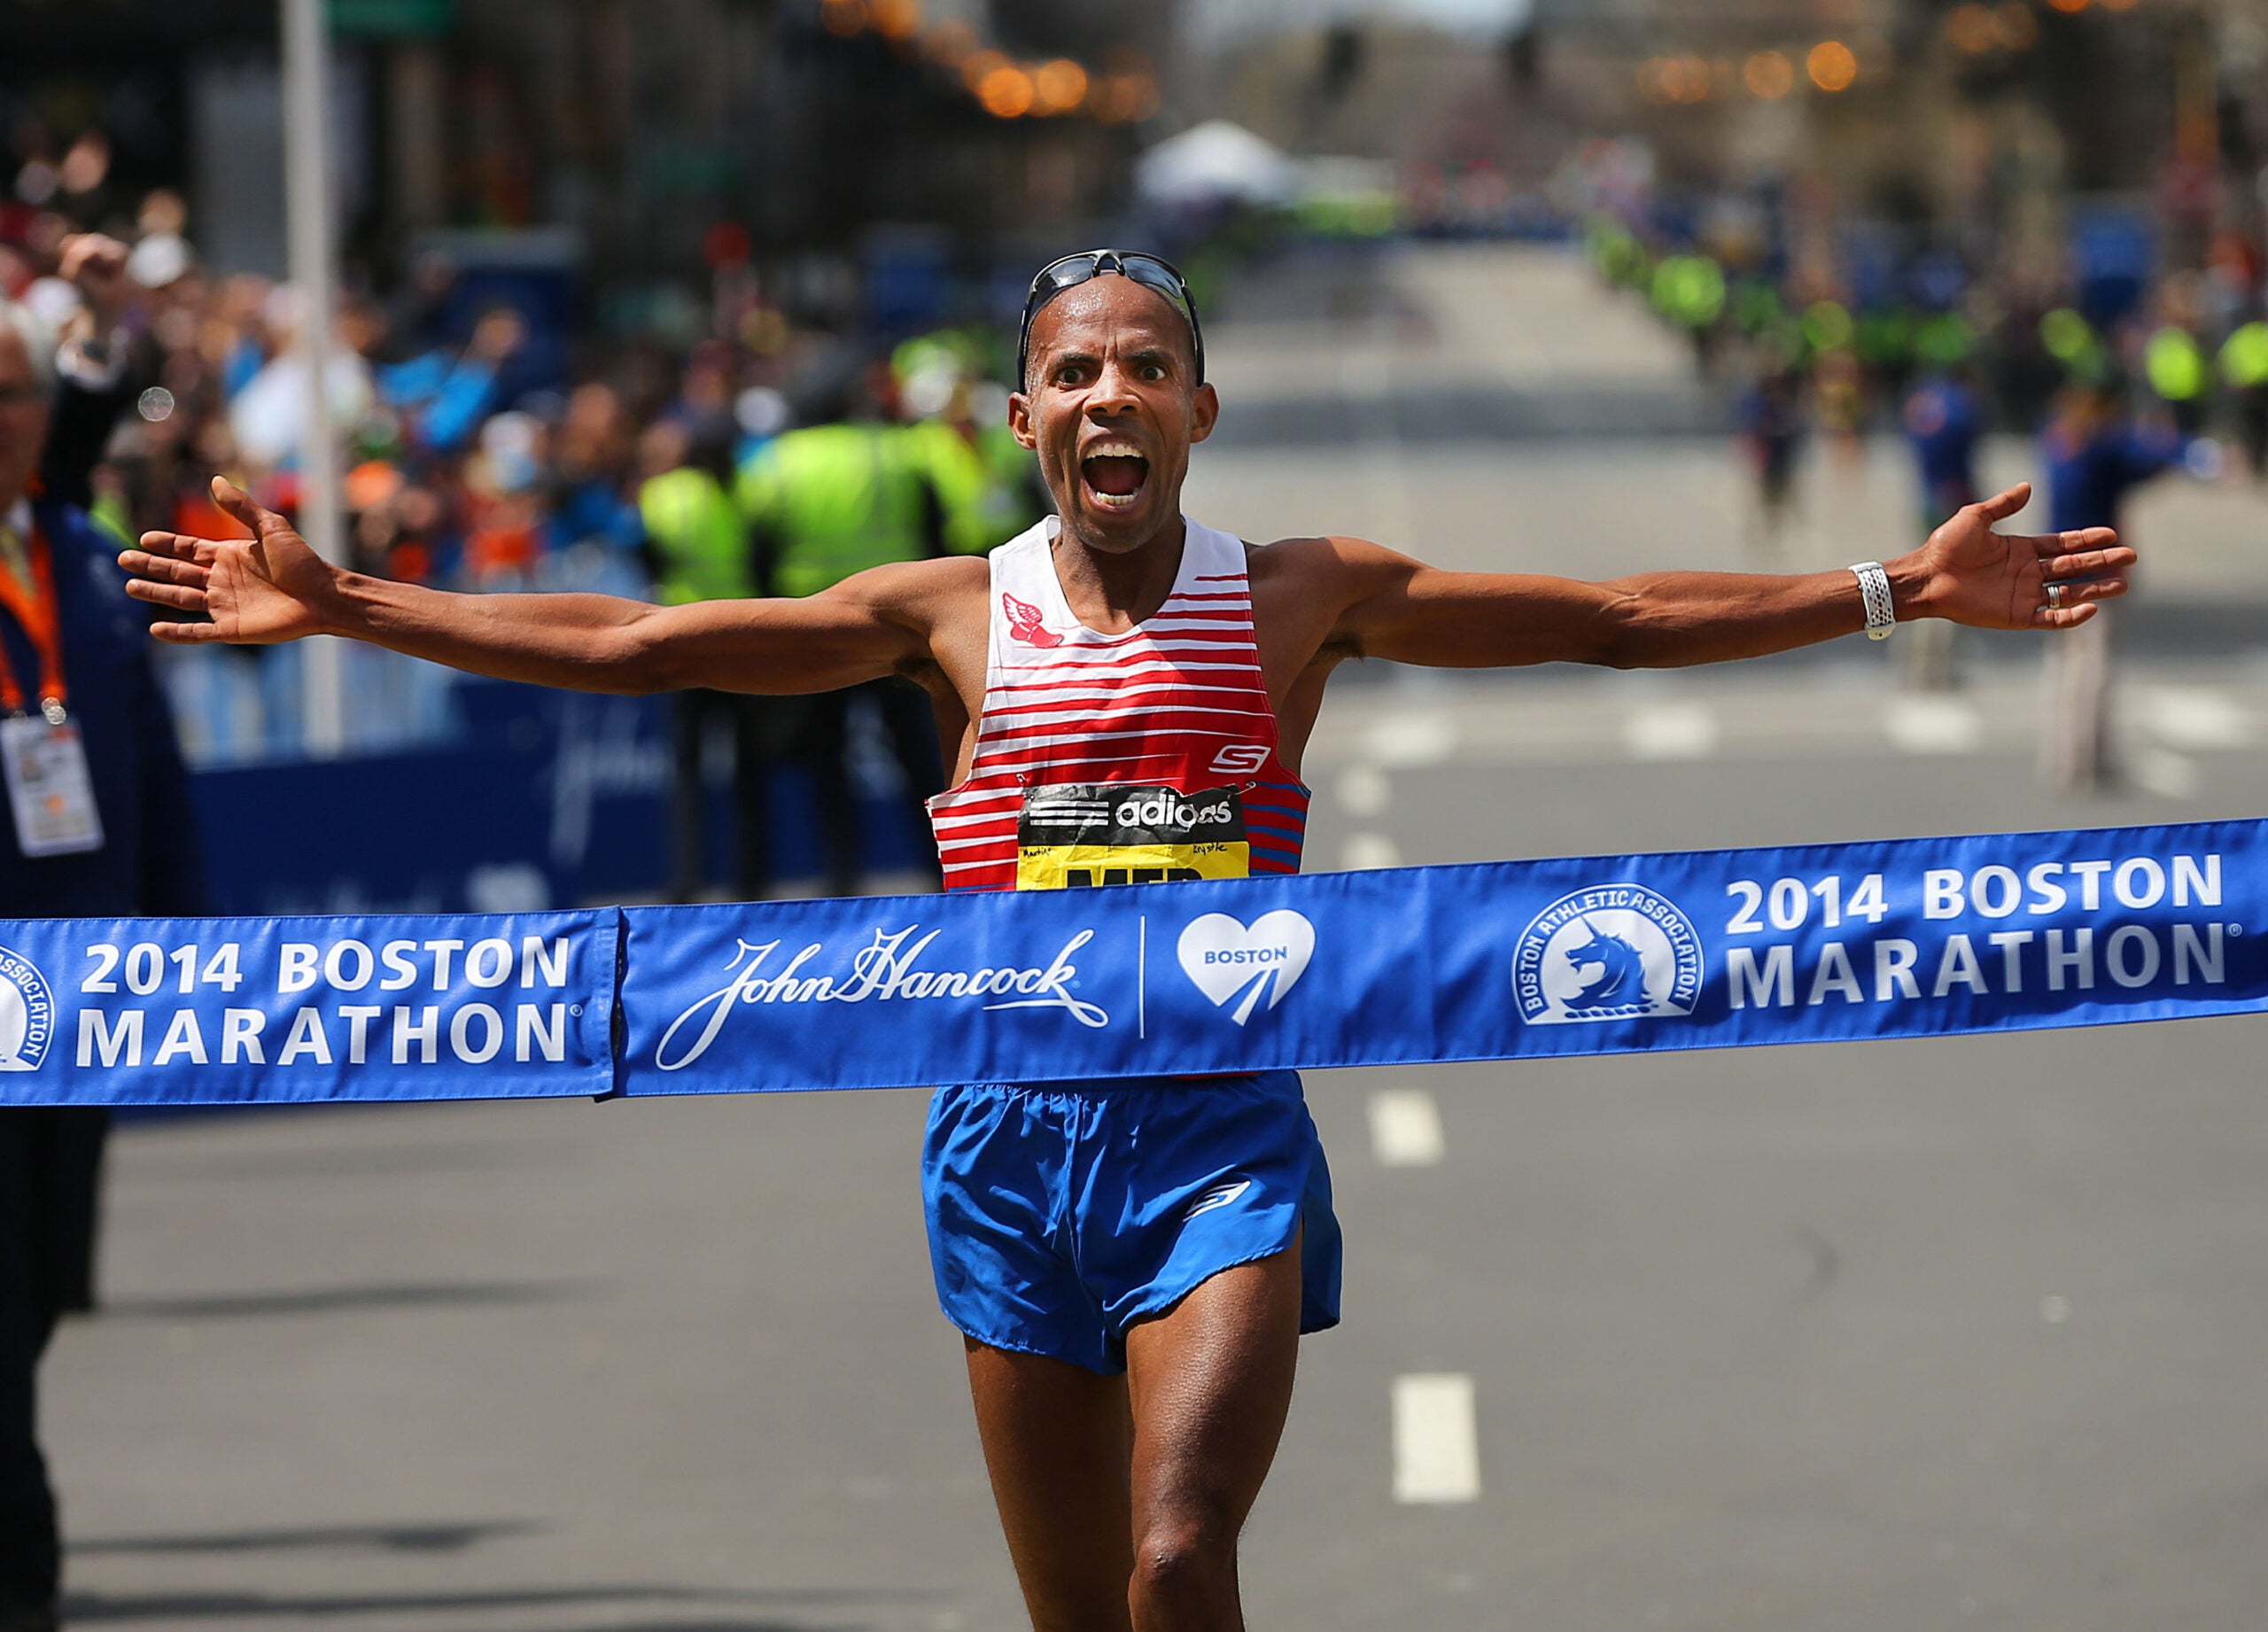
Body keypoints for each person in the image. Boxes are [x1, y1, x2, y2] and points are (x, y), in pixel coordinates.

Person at [119, 248, 2131, 1632]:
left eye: (1141, 366)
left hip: (1215, 1143)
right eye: (1071, 368)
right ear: (1022, 418)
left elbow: (1604, 618)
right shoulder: (945, 616)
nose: (1107, 392)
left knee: (1181, 1565)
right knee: (1085, 1618)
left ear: (1195, 409)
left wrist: (1888, 589)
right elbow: (643, 647)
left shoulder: (1295, 596)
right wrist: (356, 605)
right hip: (1004, 1149)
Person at [0, 300, 207, 1632]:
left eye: (19, 394)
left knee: (42, 1282)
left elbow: (158, 776)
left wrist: (189, 949)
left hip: (92, 983)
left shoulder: (76, 555)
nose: (9, 421)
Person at [734, 368, 947, 895]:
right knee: (917, 758)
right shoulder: (894, 450)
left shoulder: (774, 463)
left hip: (814, 628)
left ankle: (840, 877)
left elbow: (755, 550)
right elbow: (934, 526)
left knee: (825, 760)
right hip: (898, 625)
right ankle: (942, 871)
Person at [1899, 365, 1982, 690]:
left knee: (1918, 576)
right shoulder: (1960, 406)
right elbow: (1966, 454)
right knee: (1951, 582)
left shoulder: (1921, 403)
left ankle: (1916, 662)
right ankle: (1940, 667)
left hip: (1925, 495)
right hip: (1952, 499)